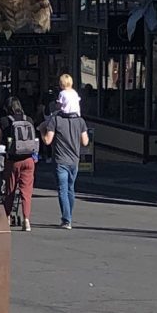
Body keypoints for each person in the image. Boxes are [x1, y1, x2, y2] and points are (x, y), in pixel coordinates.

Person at [0, 95, 38, 232]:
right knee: (26, 191)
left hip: (13, 160)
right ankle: (26, 220)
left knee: (10, 190)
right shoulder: (29, 120)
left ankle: (7, 217)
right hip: (29, 160)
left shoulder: (4, 121)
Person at [47, 96, 89, 229]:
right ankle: (68, 216)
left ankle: (67, 219)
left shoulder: (55, 120)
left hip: (60, 159)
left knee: (62, 189)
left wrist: (42, 130)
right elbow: (85, 142)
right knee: (71, 188)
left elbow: (48, 140)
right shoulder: (80, 121)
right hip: (74, 160)